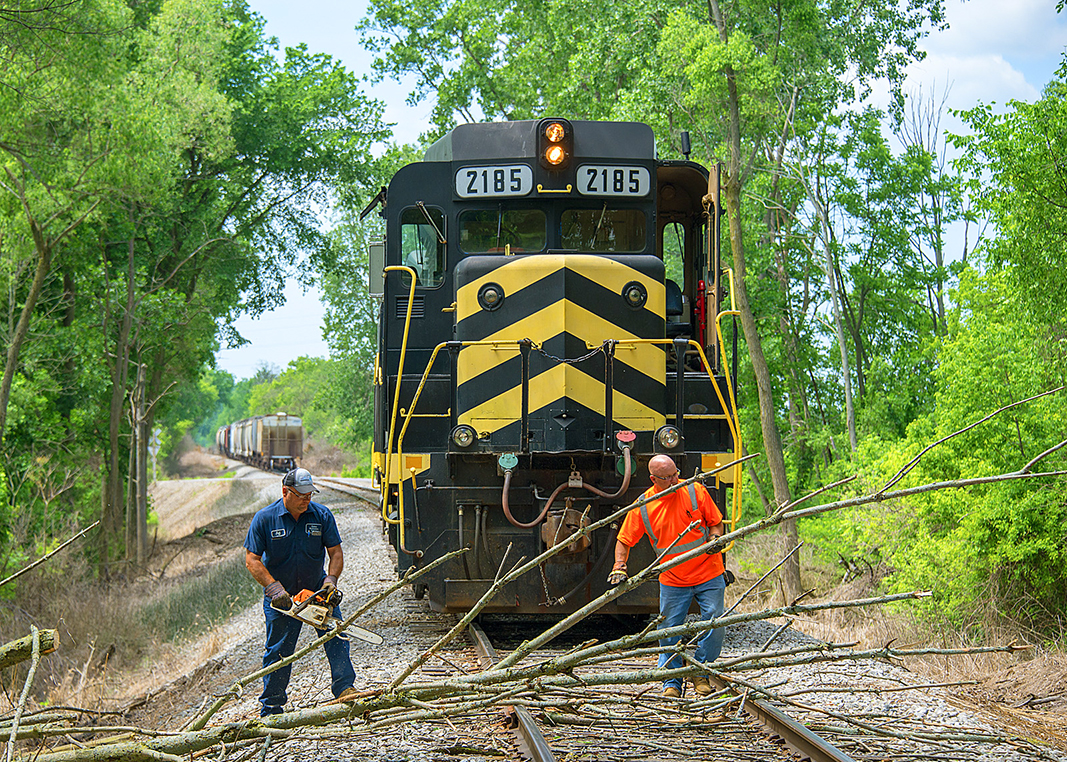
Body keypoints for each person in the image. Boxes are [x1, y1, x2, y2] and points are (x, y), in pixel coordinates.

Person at [608, 454, 725, 698]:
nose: (674, 480)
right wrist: (620, 565)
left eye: (675, 474)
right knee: (669, 631)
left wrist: (715, 539)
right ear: (653, 479)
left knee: (715, 621)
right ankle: (671, 682)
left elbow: (716, 523)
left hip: (708, 572)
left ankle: (700, 672)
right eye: (667, 477)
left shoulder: (695, 491)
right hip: (673, 580)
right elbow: (624, 540)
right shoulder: (644, 505)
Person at [244, 468, 357, 715]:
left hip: (316, 592)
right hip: (281, 598)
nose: (307, 499)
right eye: (301, 495)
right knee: (278, 651)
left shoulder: (321, 516)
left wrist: (331, 581)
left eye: (310, 495)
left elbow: (335, 552)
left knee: (336, 636)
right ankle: (271, 706)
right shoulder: (265, 518)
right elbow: (252, 559)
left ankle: (345, 688)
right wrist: (274, 588)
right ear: (285, 492)